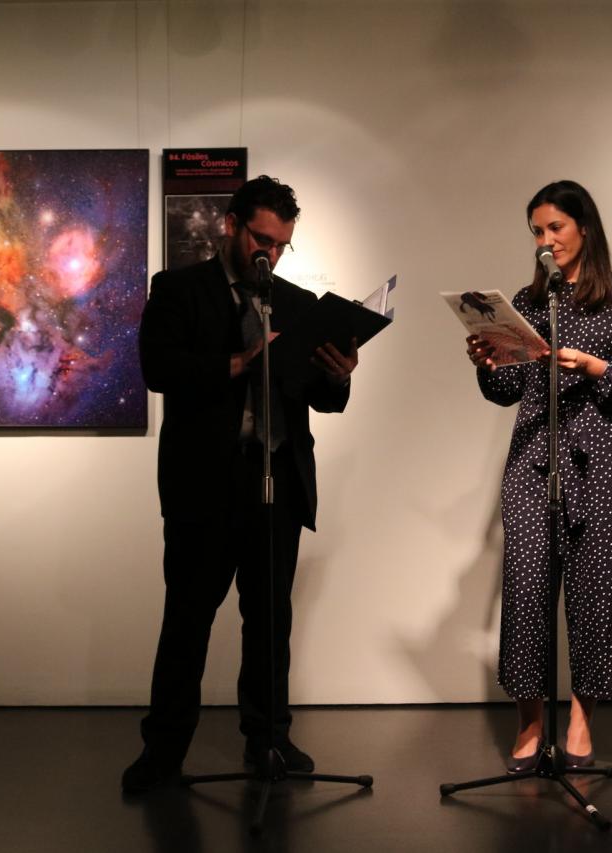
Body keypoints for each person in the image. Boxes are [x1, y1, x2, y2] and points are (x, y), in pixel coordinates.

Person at [123, 175, 359, 793]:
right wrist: (238, 363)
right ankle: (163, 752)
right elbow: (159, 368)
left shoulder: (298, 302)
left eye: (281, 244)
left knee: (270, 621)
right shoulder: (178, 290)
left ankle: (270, 740)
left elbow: (324, 402)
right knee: (187, 622)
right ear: (231, 225)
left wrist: (339, 374)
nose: (269, 254)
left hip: (276, 482)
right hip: (206, 484)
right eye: (261, 239)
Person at [466, 180, 612, 771]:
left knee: (599, 593)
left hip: (603, 462)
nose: (545, 240)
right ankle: (528, 724)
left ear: (585, 229)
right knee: (526, 592)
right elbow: (506, 392)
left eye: (555, 228)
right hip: (534, 459)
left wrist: (598, 366)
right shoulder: (526, 304)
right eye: (537, 231)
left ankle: (579, 718)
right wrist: (489, 362)